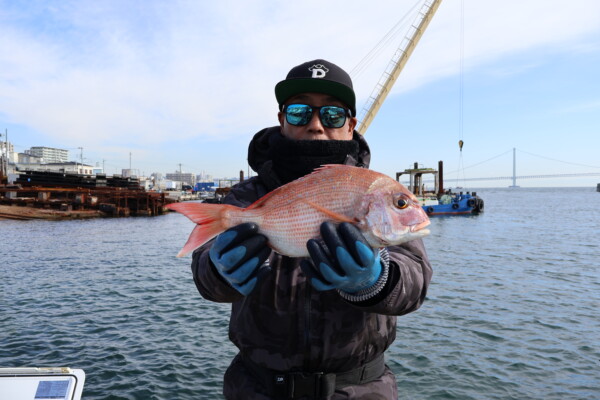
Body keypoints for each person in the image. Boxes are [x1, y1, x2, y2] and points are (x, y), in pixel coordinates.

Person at [191, 59, 432, 399]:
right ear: (281, 120)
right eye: (300, 112)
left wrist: (375, 281)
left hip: (360, 389)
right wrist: (216, 271)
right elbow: (205, 277)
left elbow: (415, 283)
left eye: (332, 115)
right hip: (256, 388)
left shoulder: (374, 187)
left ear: (351, 124)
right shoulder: (246, 198)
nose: (316, 125)